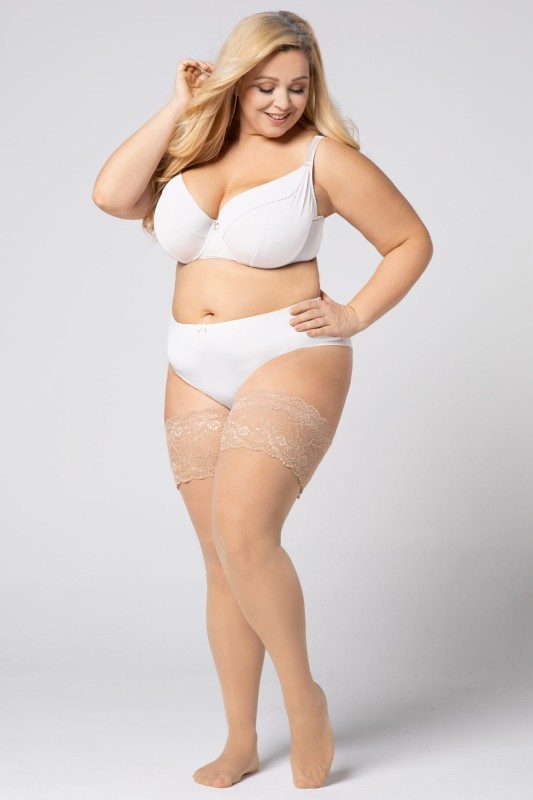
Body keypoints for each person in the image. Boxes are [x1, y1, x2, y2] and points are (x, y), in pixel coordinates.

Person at [92, 9, 433, 790]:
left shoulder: (323, 158)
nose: (281, 102)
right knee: (218, 555)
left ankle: (304, 700)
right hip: (192, 365)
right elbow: (111, 196)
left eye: (297, 87)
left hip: (289, 355)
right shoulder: (192, 150)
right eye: (265, 86)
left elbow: (408, 239)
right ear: (236, 83)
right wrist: (179, 106)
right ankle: (241, 740)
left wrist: (353, 314)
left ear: (314, 91)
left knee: (246, 534)